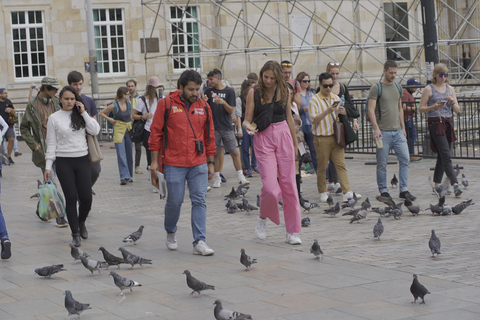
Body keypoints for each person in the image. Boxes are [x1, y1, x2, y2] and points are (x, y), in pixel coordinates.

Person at [149, 69, 216, 255]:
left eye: (197, 89)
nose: (195, 93)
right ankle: (170, 230)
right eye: (191, 89)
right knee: (175, 201)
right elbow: (155, 133)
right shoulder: (167, 104)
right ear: (181, 87)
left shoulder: (204, 106)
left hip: (198, 162)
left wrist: (211, 163)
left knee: (199, 200)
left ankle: (199, 241)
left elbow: (209, 136)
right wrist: (154, 162)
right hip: (173, 162)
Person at [243, 60, 302, 245]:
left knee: (289, 185)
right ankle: (262, 218)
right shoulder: (254, 92)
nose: (268, 80)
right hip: (263, 137)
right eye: (265, 77)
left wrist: (294, 144)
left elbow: (289, 119)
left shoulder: (285, 90)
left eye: (271, 77)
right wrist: (247, 128)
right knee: (269, 187)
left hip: (283, 133)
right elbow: (246, 120)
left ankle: (293, 231)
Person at [44, 86, 100, 247]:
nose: (69, 102)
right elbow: (51, 144)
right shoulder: (54, 118)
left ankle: (81, 221)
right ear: (60, 99)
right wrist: (48, 166)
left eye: (72, 99)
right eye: (66, 99)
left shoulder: (81, 115)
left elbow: (95, 130)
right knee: (71, 198)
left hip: (82, 160)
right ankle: (75, 233)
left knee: (86, 198)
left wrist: (83, 113)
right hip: (63, 162)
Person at [20, 76, 68, 227]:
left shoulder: (55, 102)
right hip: (43, 151)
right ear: (45, 89)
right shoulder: (32, 106)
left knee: (51, 184)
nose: (56, 91)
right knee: (52, 183)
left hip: (60, 148)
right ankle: (60, 217)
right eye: (53, 89)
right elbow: (24, 128)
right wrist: (34, 145)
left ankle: (40, 211)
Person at [368, 60, 416, 201]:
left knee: (405, 159)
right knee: (382, 163)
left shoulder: (398, 87)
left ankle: (404, 189)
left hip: (398, 131)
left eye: (395, 73)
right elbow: (371, 109)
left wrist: (402, 127)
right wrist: (376, 128)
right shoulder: (376, 88)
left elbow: (400, 108)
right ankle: (383, 190)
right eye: (391, 73)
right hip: (383, 132)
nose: (393, 75)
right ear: (384, 71)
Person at [309, 73, 360, 203]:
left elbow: (343, 113)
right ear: (320, 85)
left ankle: (347, 191)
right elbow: (314, 120)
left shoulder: (335, 97)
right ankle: (322, 191)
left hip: (336, 136)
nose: (328, 88)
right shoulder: (314, 100)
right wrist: (328, 111)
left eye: (330, 85)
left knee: (341, 165)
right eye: (325, 85)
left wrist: (344, 112)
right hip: (321, 138)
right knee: (322, 167)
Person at [418, 63, 462, 197]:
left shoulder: (450, 88)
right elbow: (420, 108)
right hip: (436, 123)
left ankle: (437, 184)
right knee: (446, 155)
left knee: (443, 156)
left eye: (446, 75)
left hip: (448, 123)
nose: (443, 78)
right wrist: (434, 107)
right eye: (441, 75)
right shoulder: (429, 89)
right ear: (435, 75)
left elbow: (457, 110)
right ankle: (455, 184)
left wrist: (452, 102)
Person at [205, 69, 249, 188]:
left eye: (211, 79)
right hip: (214, 127)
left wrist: (223, 102)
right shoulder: (208, 91)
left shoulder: (229, 91)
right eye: (208, 79)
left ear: (218, 78)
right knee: (217, 153)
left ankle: (240, 176)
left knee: (234, 151)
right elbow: (206, 109)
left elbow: (231, 111)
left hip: (227, 126)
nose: (209, 82)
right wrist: (204, 102)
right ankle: (217, 177)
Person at [325, 62, 360, 193]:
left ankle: (336, 181)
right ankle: (332, 181)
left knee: (338, 152)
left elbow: (351, 105)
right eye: (332, 73)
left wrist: (354, 120)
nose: (334, 76)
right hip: (327, 124)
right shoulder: (323, 87)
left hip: (340, 124)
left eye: (336, 74)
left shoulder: (343, 87)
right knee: (329, 154)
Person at [67, 71, 102, 189]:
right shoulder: (64, 101)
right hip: (71, 143)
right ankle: (80, 192)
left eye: (80, 84)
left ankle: (85, 188)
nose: (78, 87)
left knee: (95, 170)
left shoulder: (88, 100)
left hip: (88, 140)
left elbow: (94, 124)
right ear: (69, 84)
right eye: (75, 84)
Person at [99, 87, 133, 185]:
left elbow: (129, 115)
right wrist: (110, 119)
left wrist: (132, 120)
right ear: (123, 95)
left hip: (128, 129)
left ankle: (129, 175)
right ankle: (124, 176)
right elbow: (101, 113)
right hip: (118, 130)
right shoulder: (114, 106)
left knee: (129, 153)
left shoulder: (128, 104)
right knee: (121, 154)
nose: (129, 95)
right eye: (127, 94)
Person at [132, 76, 164, 172]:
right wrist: (143, 116)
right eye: (156, 87)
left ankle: (161, 175)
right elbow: (133, 115)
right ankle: (153, 179)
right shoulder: (142, 100)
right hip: (148, 130)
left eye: (159, 86)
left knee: (162, 154)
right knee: (151, 156)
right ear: (151, 88)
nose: (158, 89)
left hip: (161, 130)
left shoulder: (162, 99)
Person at [235, 78, 258, 177]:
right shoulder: (239, 99)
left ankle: (254, 164)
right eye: (252, 87)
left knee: (255, 145)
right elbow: (238, 115)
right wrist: (239, 129)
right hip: (244, 124)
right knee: (244, 148)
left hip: (253, 124)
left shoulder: (256, 97)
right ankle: (247, 168)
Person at [295, 72, 317, 173]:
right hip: (300, 126)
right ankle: (298, 173)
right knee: (301, 151)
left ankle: (319, 171)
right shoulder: (297, 95)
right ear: (299, 82)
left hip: (310, 125)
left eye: (308, 81)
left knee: (314, 150)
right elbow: (294, 110)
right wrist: (303, 109)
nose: (307, 83)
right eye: (304, 81)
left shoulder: (310, 94)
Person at [126, 79, 143, 174]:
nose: (130, 88)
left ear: (135, 87)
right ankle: (129, 166)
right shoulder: (125, 97)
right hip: (127, 123)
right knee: (128, 146)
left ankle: (137, 165)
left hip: (136, 124)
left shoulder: (140, 98)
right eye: (129, 86)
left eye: (132, 86)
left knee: (138, 146)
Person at [402, 78, 421, 155]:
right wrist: (415, 108)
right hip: (406, 118)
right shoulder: (406, 93)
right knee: (412, 136)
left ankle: (410, 153)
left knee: (411, 136)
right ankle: (410, 153)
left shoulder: (408, 93)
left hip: (408, 118)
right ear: (410, 86)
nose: (416, 88)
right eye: (415, 86)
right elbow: (403, 107)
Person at [0, 89, 16, 164]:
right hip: (0, 126)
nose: (6, 95)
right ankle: (3, 157)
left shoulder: (8, 101)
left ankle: (9, 156)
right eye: (4, 93)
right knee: (1, 142)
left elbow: (14, 110)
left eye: (7, 93)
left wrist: (11, 109)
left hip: (9, 124)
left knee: (11, 139)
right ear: (0, 94)